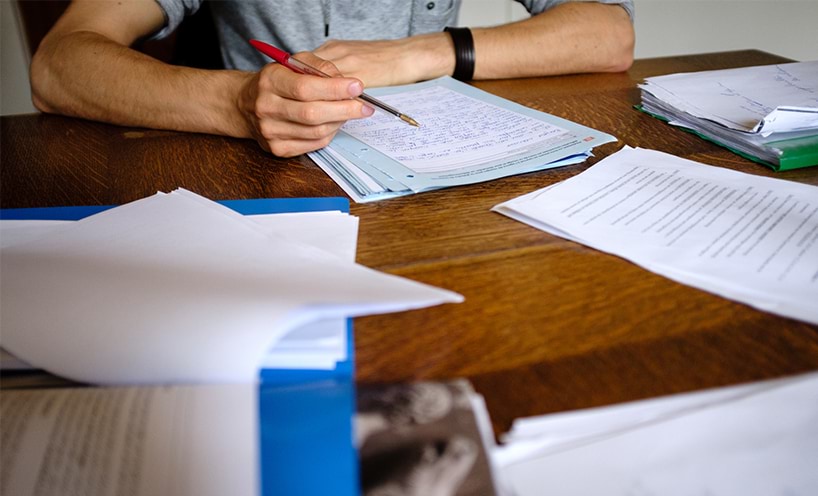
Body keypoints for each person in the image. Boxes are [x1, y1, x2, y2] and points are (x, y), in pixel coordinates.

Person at [30, 0, 635, 157]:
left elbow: (608, 32)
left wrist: (419, 53)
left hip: (435, 167)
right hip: (267, 179)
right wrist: (239, 101)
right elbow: (59, 66)